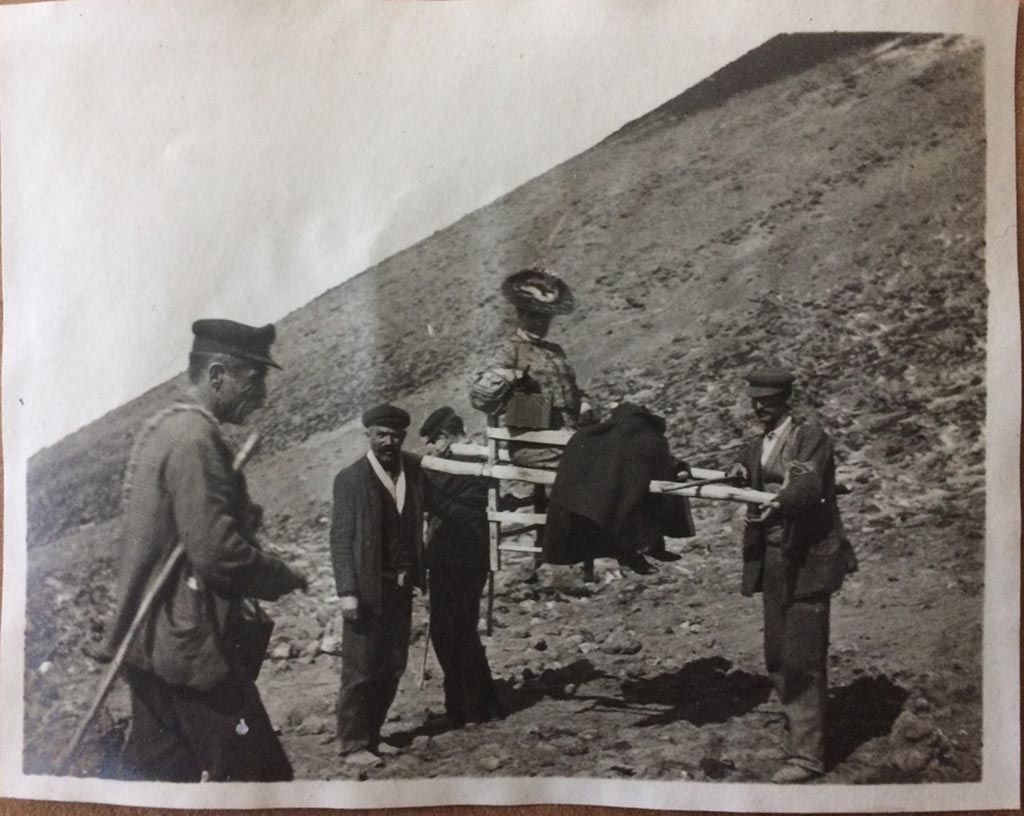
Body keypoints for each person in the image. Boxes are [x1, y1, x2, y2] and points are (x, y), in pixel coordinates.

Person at [93, 319, 308, 782]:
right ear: (216, 375)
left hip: (152, 644)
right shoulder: (194, 439)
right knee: (262, 782)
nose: (263, 394)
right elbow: (217, 553)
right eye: (254, 379)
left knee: (158, 781)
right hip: (191, 648)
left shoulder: (166, 430)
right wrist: (280, 576)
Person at [725, 367, 857, 784]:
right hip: (773, 558)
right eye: (755, 400)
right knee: (778, 653)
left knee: (803, 656)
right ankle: (798, 730)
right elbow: (748, 468)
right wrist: (737, 474)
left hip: (808, 558)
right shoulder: (757, 444)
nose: (760, 407)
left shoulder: (809, 436)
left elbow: (806, 480)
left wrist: (779, 503)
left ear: (786, 400)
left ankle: (808, 756)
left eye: (768, 400)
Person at [329, 404, 428, 767]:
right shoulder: (351, 478)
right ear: (368, 436)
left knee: (392, 663)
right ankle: (353, 744)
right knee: (360, 668)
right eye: (381, 435)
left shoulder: (412, 472)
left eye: (396, 435)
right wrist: (347, 591)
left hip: (400, 588)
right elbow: (340, 539)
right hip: (367, 590)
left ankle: (373, 733)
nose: (389, 441)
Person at [419, 407, 504, 726]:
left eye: (431, 441)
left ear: (443, 437)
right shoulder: (473, 461)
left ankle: (469, 708)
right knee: (459, 630)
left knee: (450, 631)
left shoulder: (464, 463)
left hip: (461, 557)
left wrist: (431, 499)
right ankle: (481, 704)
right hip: (458, 557)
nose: (430, 448)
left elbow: (467, 512)